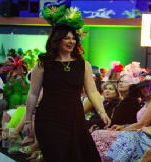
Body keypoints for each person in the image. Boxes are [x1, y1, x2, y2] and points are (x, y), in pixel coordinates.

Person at [23, 5, 110, 162]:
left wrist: (102, 112)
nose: (71, 41)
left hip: (74, 118)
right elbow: (33, 93)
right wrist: (28, 120)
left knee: (83, 156)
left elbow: (92, 92)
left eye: (73, 38)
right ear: (57, 40)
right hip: (48, 118)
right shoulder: (43, 64)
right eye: (67, 38)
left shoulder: (84, 64)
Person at [91, 73, 151, 162]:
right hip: (136, 131)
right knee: (98, 134)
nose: (145, 88)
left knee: (98, 134)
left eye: (148, 86)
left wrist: (124, 128)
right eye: (142, 86)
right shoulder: (146, 101)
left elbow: (143, 124)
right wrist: (124, 127)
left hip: (144, 135)